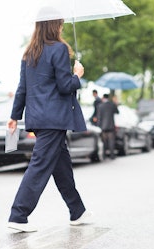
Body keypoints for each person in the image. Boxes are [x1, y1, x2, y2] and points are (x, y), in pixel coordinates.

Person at [6, 6, 92, 233]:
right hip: (54, 118)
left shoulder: (29, 53)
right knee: (40, 166)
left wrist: (15, 116)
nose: (63, 27)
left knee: (61, 166)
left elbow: (22, 88)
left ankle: (77, 211)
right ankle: (18, 215)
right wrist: (77, 75)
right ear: (55, 25)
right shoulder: (59, 49)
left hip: (39, 118)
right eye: (61, 23)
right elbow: (65, 86)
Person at [97, 93, 119, 160]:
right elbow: (117, 112)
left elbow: (99, 117)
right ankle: (112, 156)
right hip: (111, 126)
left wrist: (99, 125)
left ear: (103, 98)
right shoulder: (112, 105)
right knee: (111, 141)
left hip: (103, 127)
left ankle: (104, 156)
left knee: (104, 142)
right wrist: (116, 104)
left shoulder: (100, 106)